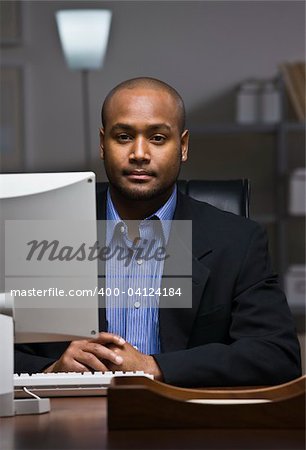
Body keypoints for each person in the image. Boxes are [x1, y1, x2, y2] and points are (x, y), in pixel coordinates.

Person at [15, 77, 301, 387]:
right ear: (102, 144)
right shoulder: (48, 232)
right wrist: (51, 371)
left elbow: (276, 355)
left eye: (158, 138)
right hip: (72, 422)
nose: (139, 153)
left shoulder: (238, 241)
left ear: (183, 146)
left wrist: (155, 367)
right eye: (123, 137)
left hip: (185, 421)